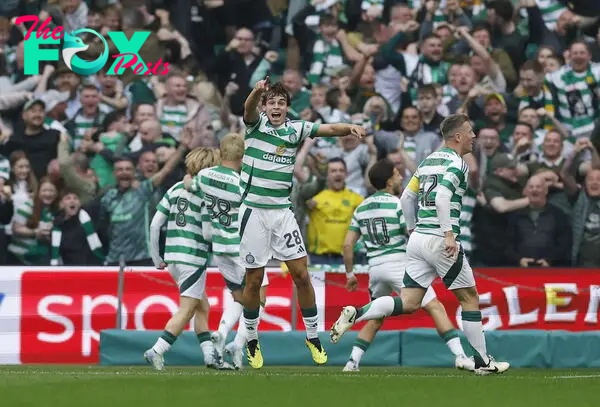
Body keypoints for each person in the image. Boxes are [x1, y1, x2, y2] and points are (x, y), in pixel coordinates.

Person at [330, 114, 510, 376]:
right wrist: (448, 234)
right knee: (469, 297)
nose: (474, 137)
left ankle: (356, 313)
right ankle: (483, 361)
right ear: (457, 136)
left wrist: (414, 227)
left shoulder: (427, 162)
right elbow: (442, 197)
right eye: (470, 132)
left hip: (417, 240)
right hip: (439, 238)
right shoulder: (458, 163)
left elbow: (406, 196)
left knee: (410, 302)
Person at [240, 78, 366, 369]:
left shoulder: (295, 129)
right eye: (271, 102)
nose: (276, 106)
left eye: (280, 103)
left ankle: (312, 336)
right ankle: (251, 338)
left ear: (287, 108)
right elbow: (247, 108)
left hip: (282, 213)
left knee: (301, 274)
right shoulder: (255, 125)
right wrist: (256, 90)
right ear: (264, 106)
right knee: (254, 280)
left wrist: (350, 128)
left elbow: (328, 130)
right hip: (253, 213)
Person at [341, 158, 474, 372]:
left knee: (377, 316)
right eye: (396, 174)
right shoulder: (397, 203)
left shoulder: (361, 208)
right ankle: (460, 355)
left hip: (375, 268)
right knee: (434, 306)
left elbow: (347, 244)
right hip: (398, 263)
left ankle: (352, 362)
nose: (400, 177)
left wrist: (349, 273)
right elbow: (410, 232)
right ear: (388, 181)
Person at [184, 133, 269, 370]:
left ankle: (221, 333)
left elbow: (191, 186)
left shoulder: (205, 175)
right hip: (242, 247)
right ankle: (238, 343)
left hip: (219, 247)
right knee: (259, 296)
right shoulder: (242, 183)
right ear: (243, 156)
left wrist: (186, 180)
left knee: (239, 296)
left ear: (220, 153)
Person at [145, 147, 232, 371]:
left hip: (173, 258)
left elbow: (155, 225)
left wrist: (157, 258)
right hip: (192, 257)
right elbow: (206, 234)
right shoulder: (207, 194)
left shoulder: (174, 189)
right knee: (186, 310)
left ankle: (210, 357)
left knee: (202, 307)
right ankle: (157, 350)